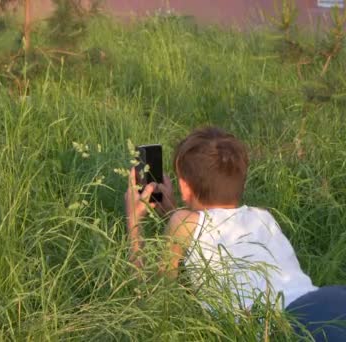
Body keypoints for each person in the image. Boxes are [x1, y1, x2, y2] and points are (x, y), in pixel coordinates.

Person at [124, 126, 346, 341]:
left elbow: (156, 300)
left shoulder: (182, 222)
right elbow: (213, 228)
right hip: (328, 299)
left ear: (184, 187)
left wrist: (133, 222)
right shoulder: (263, 216)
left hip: (289, 325)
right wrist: (174, 212)